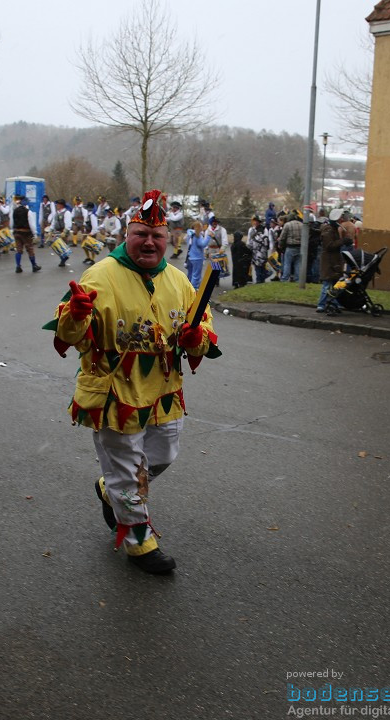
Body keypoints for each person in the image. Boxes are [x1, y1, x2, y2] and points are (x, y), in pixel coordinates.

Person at [45, 189, 220, 574]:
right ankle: (139, 539)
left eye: (157, 236)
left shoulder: (178, 280)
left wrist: (197, 339)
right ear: (127, 235)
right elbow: (70, 333)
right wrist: (75, 315)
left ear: (168, 240)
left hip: (164, 393)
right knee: (126, 470)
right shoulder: (100, 276)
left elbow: (201, 322)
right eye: (141, 233)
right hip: (114, 393)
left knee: (162, 456)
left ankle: (111, 490)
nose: (149, 242)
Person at [316, 210, 344, 313]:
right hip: (329, 261)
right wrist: (342, 241)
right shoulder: (328, 230)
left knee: (336, 284)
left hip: (334, 260)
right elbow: (329, 245)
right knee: (327, 284)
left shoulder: (334, 229)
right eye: (341, 218)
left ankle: (334, 303)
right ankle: (321, 304)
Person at [8, 195, 42, 273]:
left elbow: (11, 223)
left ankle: (18, 266)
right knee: (30, 249)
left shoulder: (14, 211)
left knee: (19, 250)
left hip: (16, 232)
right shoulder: (28, 211)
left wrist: (13, 229)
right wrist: (35, 233)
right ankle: (34, 266)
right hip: (26, 233)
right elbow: (32, 224)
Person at [44, 198, 73, 267]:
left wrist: (65, 232)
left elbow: (68, 224)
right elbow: (53, 223)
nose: (56, 205)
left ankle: (63, 259)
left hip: (63, 231)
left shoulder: (67, 213)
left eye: (58, 204)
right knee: (56, 245)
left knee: (62, 246)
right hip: (57, 231)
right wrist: (50, 230)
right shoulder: (56, 213)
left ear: (61, 205)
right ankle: (63, 258)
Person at [277, 211, 304, 282]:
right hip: (299, 247)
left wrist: (280, 245)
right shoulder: (302, 225)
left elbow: (282, 237)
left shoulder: (287, 225)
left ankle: (285, 278)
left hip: (290, 247)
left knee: (287, 263)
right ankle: (297, 279)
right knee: (297, 264)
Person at [247, 216, 270, 284]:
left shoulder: (264, 230)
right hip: (254, 251)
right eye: (254, 221)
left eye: (257, 221)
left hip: (262, 251)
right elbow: (249, 240)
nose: (255, 222)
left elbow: (266, 241)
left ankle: (261, 280)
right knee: (257, 266)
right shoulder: (251, 230)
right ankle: (259, 280)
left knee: (262, 266)